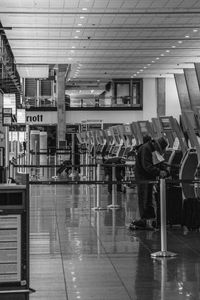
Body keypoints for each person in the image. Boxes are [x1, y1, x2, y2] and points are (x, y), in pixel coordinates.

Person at [129, 136, 169, 230]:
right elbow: (147, 166)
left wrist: (165, 170)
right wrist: (159, 172)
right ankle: (145, 220)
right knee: (144, 197)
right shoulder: (146, 148)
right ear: (156, 145)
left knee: (148, 198)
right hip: (143, 177)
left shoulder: (152, 148)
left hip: (148, 176)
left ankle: (149, 219)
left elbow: (157, 162)